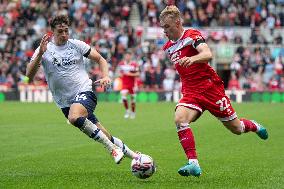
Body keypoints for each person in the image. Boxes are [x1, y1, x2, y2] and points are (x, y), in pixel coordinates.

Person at [159, 6, 268, 177]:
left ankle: (253, 125)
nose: (164, 31)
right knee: (180, 119)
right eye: (162, 27)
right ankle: (193, 163)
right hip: (191, 92)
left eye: (167, 26)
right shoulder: (168, 47)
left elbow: (208, 54)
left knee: (237, 128)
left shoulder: (192, 36)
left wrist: (193, 59)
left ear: (178, 22)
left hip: (210, 89)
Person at [26, 14, 139, 164]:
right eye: (60, 31)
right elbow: (29, 75)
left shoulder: (76, 45)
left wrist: (106, 76)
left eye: (66, 30)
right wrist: (40, 53)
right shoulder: (44, 50)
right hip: (65, 102)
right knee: (105, 135)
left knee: (74, 117)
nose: (64, 34)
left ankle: (112, 149)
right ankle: (136, 156)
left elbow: (100, 59)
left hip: (84, 91)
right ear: (52, 31)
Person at [117, 50, 139, 119]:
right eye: (126, 55)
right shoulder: (121, 64)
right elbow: (119, 73)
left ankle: (133, 112)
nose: (127, 57)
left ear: (131, 56)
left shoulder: (134, 64)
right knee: (123, 97)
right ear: (125, 56)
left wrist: (130, 74)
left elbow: (138, 74)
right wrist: (120, 74)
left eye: (129, 55)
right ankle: (127, 110)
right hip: (125, 84)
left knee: (133, 100)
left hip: (132, 85)